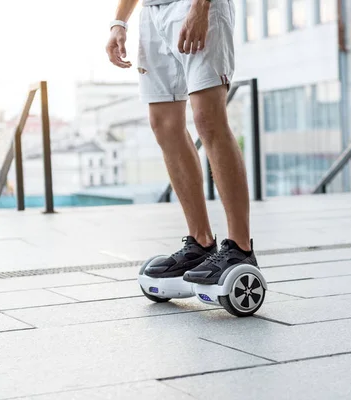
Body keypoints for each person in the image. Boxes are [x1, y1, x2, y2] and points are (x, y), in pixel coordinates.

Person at [106, 0, 257, 285]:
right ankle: (200, 243)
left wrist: (200, 7)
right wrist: (120, 21)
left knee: (208, 119)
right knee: (164, 125)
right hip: (152, 14)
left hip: (194, 5)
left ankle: (240, 248)